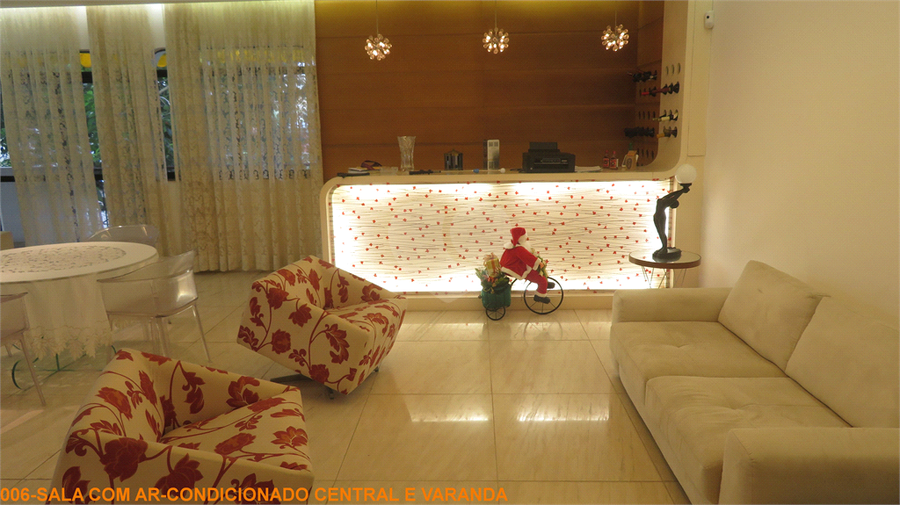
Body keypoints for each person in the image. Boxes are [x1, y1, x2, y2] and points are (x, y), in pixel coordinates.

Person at [499, 227, 554, 303]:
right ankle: (540, 295)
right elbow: (528, 257)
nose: (526, 238)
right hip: (517, 269)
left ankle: (544, 284)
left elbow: (529, 254)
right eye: (525, 236)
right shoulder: (518, 249)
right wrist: (539, 262)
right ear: (521, 237)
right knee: (541, 279)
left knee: (539, 272)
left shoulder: (514, 245)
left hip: (516, 266)